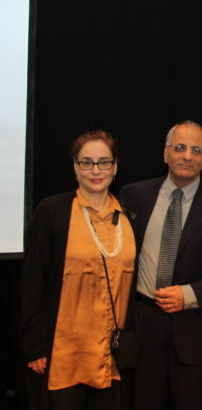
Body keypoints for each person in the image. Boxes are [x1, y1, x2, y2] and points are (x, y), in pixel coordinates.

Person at [119, 120, 202, 410]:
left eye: (195, 150)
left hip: (195, 330)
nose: (187, 156)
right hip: (142, 326)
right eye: (179, 148)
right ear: (166, 153)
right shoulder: (133, 196)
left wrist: (189, 295)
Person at [20, 130, 136, 410]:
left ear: (115, 166)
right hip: (64, 354)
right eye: (87, 162)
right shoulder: (52, 211)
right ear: (75, 167)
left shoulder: (130, 214)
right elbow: (33, 282)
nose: (95, 170)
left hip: (111, 356)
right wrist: (34, 346)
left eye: (103, 162)